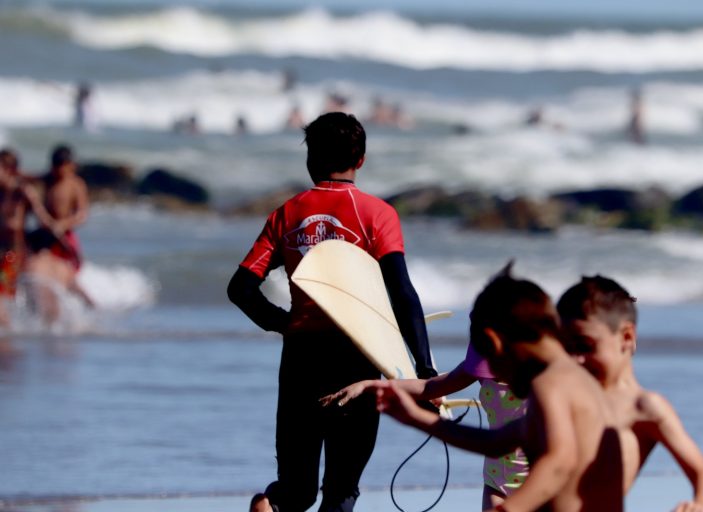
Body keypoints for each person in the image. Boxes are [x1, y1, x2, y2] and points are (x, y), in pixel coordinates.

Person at [227, 112, 438, 512]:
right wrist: (422, 369)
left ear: (310, 160)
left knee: (296, 492)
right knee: (341, 492)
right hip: (356, 357)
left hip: (301, 359)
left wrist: (283, 323)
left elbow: (240, 288)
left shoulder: (286, 215)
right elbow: (401, 292)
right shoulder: (377, 215)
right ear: (360, 160)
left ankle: (267, 505)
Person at [376, 265, 623, 512]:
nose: (488, 370)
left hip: (542, 491)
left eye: (489, 361)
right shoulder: (522, 374)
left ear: (495, 343)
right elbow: (494, 441)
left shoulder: (552, 385)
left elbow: (558, 462)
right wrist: (390, 398)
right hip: (498, 481)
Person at [556, 275, 703, 512]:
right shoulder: (561, 397)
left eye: (585, 345)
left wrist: (701, 505)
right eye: (566, 347)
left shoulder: (642, 407)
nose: (575, 358)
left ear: (626, 337)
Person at [321, 342, 529, 510]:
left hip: (540, 478)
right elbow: (428, 387)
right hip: (497, 481)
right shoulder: (481, 366)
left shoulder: (547, 379)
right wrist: (368, 385)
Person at [0, 148, 60, 327]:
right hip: (2, 250)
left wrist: (60, 241)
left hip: (15, 251)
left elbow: (44, 219)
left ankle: (11, 333)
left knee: (7, 293)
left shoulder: (22, 191)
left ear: (8, 170)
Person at [21, 228, 95, 325]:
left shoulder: (32, 264)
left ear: (30, 246)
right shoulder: (64, 267)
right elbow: (84, 296)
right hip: (63, 316)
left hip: (43, 313)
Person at [41, 144, 89, 273]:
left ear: (70, 165)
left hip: (64, 234)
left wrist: (62, 225)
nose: (58, 170)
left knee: (71, 269)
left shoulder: (75, 184)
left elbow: (82, 214)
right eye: (56, 166)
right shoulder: (47, 180)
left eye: (62, 166)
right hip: (45, 234)